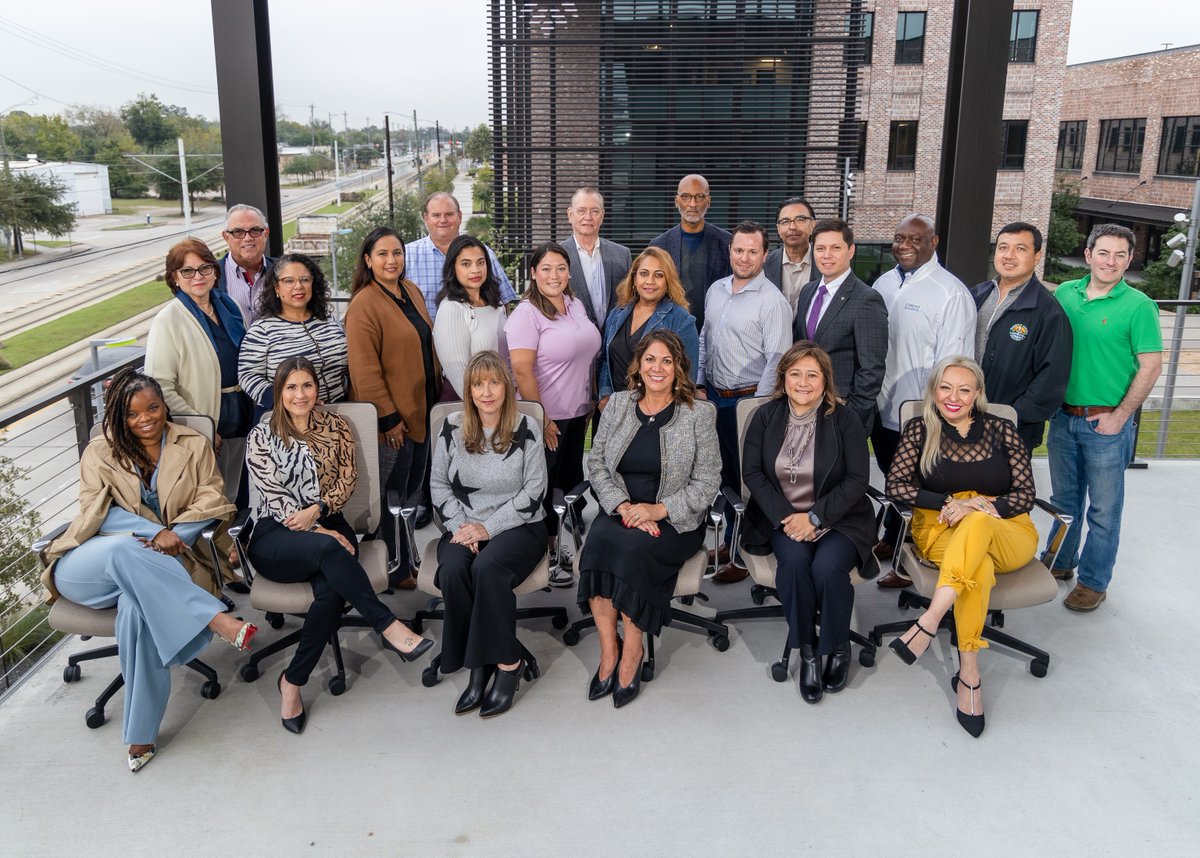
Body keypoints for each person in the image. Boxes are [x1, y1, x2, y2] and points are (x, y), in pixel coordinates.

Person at [42, 369, 256, 772]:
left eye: (153, 408)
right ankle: (214, 619)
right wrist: (154, 532)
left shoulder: (192, 444)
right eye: (133, 413)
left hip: (166, 564)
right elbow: (95, 513)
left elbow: (213, 498)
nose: (145, 419)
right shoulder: (99, 451)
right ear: (119, 416)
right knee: (124, 549)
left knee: (135, 610)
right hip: (90, 566)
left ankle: (141, 735)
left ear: (163, 406)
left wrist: (175, 536)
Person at [245, 358, 433, 734]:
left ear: (317, 389)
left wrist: (320, 512)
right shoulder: (261, 435)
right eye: (291, 387)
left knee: (330, 594)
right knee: (332, 549)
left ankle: (292, 682)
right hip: (275, 533)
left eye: (307, 385)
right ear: (279, 392)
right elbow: (277, 499)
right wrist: (321, 532)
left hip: (329, 519)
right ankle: (387, 624)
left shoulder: (336, 426)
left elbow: (348, 479)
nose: (300, 394)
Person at [884, 356, 1038, 737]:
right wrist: (949, 502)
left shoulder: (1001, 429)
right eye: (945, 387)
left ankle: (930, 620)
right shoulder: (921, 429)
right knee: (977, 568)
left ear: (977, 394)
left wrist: (976, 506)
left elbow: (1026, 494)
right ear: (934, 390)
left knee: (979, 522)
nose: (953, 397)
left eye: (964, 389)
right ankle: (969, 674)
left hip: (1007, 530)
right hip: (941, 529)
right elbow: (896, 486)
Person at [577, 330, 720, 708]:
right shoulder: (618, 405)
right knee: (597, 547)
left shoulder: (698, 415)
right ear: (638, 366)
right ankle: (609, 650)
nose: (658, 368)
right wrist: (623, 506)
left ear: (679, 368)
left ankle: (633, 651)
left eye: (667, 361)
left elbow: (708, 482)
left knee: (632, 552)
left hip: (675, 520)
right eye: (651, 360)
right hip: (621, 510)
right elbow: (596, 463)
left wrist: (658, 510)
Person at [740, 342, 877, 704]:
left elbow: (857, 480)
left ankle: (839, 646)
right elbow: (752, 473)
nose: (803, 382)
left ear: (825, 380)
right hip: (783, 518)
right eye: (795, 374)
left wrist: (815, 517)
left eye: (812, 375)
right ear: (783, 378)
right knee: (795, 564)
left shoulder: (845, 419)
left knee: (828, 569)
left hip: (840, 518)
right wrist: (790, 518)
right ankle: (809, 651)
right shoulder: (765, 416)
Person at [1048, 223, 1163, 611]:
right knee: (1064, 501)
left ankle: (1093, 582)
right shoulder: (1066, 293)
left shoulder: (1139, 306)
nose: (1110, 261)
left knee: (1103, 510)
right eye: (1103, 253)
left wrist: (1120, 416)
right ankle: (1061, 561)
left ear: (1129, 260)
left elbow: (1151, 367)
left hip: (1106, 425)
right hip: (1062, 418)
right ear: (1088, 255)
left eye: (1119, 255)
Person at [430, 351, 549, 717]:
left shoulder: (526, 427)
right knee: (453, 569)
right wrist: (463, 529)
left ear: (506, 387)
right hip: (464, 525)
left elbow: (534, 492)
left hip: (520, 526)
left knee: (487, 568)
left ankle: (508, 665)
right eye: (478, 384)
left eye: (494, 383)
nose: (486, 392)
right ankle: (479, 664)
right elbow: (438, 486)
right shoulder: (451, 427)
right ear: (468, 390)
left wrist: (487, 528)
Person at [872, 214, 976, 586]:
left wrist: (935, 418)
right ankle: (892, 537)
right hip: (882, 407)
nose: (905, 246)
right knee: (892, 478)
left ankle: (912, 560)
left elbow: (952, 367)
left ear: (933, 243)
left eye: (915, 240)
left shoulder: (951, 293)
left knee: (919, 487)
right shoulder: (884, 282)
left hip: (922, 415)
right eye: (899, 238)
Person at [697, 221, 793, 583]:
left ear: (765, 255)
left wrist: (753, 408)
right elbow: (704, 339)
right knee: (723, 477)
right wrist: (699, 383)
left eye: (753, 251)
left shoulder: (772, 302)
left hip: (749, 401)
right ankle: (729, 542)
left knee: (749, 480)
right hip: (714, 399)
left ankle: (743, 554)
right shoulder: (716, 290)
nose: (744, 257)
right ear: (730, 251)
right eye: (739, 250)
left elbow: (778, 360)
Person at [345, 226, 441, 589]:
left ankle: (404, 555)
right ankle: (392, 566)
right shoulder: (364, 304)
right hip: (392, 422)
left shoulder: (409, 290)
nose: (391, 260)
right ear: (368, 260)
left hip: (420, 411)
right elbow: (364, 370)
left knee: (411, 494)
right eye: (382, 254)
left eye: (397, 253)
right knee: (391, 498)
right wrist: (388, 419)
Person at [505, 242, 602, 587]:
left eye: (561, 268)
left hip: (577, 414)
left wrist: (590, 398)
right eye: (545, 268)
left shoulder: (575, 304)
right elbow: (521, 370)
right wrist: (542, 418)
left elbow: (587, 355)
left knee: (565, 487)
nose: (554, 275)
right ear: (533, 273)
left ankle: (557, 548)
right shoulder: (526, 314)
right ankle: (540, 558)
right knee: (542, 491)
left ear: (569, 272)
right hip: (546, 420)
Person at [145, 238, 253, 506]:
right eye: (188, 271)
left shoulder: (230, 306)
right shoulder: (168, 320)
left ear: (215, 271)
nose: (198, 276)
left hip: (244, 414)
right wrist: (200, 427)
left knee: (243, 493)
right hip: (206, 424)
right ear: (174, 277)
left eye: (205, 268)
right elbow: (160, 386)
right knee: (213, 499)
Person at [971, 222, 1073, 452]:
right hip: (964, 418)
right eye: (1003, 247)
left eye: (1020, 249)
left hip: (1012, 429)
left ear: (1037, 256)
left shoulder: (1048, 312)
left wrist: (1013, 415)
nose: (1009, 255)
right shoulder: (976, 295)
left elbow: (1052, 377)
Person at [791, 218, 888, 432]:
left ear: (851, 250)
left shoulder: (867, 299)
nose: (827, 255)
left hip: (842, 411)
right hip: (804, 407)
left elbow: (872, 369)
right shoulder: (808, 291)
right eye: (820, 248)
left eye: (835, 248)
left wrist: (852, 416)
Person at [238, 252, 349, 421]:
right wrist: (282, 401)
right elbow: (247, 375)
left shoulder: (329, 322)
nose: (298, 286)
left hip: (336, 416)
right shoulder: (262, 330)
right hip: (286, 420)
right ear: (276, 287)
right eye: (289, 281)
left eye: (304, 279)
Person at [597, 246, 700, 405]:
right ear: (634, 279)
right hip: (615, 406)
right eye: (644, 274)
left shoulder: (681, 320)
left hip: (656, 409)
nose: (650, 281)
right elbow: (606, 358)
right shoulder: (617, 313)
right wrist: (605, 395)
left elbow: (687, 378)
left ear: (668, 281)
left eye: (658, 275)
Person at [405, 192, 516, 320]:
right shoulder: (407, 255)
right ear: (426, 218)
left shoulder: (483, 254)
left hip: (476, 332)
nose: (443, 220)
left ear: (460, 216)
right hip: (423, 333)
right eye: (436, 215)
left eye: (449, 214)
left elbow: (503, 302)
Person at [649, 174, 732, 330]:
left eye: (699, 197)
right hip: (671, 331)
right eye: (686, 197)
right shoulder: (659, 245)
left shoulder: (726, 242)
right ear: (677, 201)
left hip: (716, 330)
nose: (692, 204)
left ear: (708, 201)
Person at [431, 234, 509, 400]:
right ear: (453, 268)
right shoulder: (451, 308)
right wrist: (482, 406)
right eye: (466, 264)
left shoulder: (496, 304)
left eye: (480, 262)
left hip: (499, 397)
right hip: (469, 402)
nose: (476, 270)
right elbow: (458, 372)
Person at [558, 186, 632, 332]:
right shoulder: (556, 256)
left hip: (614, 341)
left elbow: (630, 301)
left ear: (602, 215)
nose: (588, 217)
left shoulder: (622, 255)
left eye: (594, 211)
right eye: (581, 211)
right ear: (570, 215)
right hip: (575, 341)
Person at [215, 203, 276, 325]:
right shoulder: (211, 275)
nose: (247, 238)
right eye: (238, 231)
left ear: (266, 233)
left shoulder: (284, 270)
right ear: (226, 237)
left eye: (255, 230)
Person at [764, 196, 817, 313]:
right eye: (785, 221)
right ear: (778, 229)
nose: (792, 227)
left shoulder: (824, 262)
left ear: (812, 225)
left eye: (800, 219)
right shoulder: (764, 264)